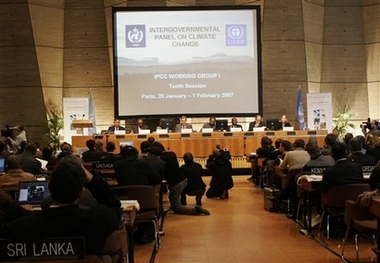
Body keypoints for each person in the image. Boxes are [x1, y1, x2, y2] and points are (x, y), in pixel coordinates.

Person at [1, 155, 122, 256]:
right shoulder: (97, 220)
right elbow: (114, 204)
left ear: (48, 187)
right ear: (81, 193)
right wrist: (90, 177)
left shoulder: (21, 227)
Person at [154, 141, 210, 215]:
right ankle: (179, 204)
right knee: (175, 198)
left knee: (176, 208)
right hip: (183, 180)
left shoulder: (161, 159)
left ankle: (195, 210)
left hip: (175, 184)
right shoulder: (172, 154)